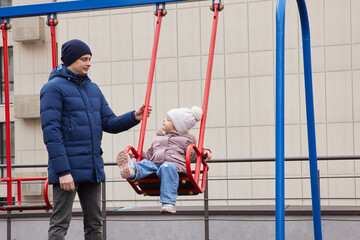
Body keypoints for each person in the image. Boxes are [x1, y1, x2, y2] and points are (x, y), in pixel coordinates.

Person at [40, 39, 151, 240]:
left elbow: (109, 122)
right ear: (71, 60)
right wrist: (63, 171)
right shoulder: (52, 89)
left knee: (95, 225)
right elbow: (51, 133)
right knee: (59, 225)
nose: (89, 63)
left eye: (90, 59)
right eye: (84, 59)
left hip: (92, 167)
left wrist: (134, 116)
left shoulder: (93, 89)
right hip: (68, 169)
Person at [116, 105, 212, 214]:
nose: (164, 120)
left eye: (168, 120)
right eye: (166, 118)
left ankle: (168, 204)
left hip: (174, 166)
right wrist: (138, 154)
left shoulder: (185, 141)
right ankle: (132, 171)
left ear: (177, 127)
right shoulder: (158, 139)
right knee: (145, 163)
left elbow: (194, 155)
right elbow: (149, 155)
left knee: (167, 167)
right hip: (156, 165)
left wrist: (204, 152)